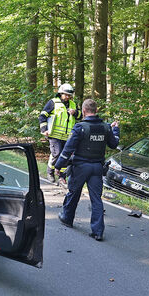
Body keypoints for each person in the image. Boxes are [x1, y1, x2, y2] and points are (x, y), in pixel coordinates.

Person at [53, 98, 120, 241]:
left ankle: (67, 218)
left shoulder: (80, 127)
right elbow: (114, 144)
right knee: (96, 199)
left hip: (80, 167)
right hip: (97, 168)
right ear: (96, 111)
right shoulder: (106, 127)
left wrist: (58, 166)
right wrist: (116, 129)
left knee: (74, 193)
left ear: (83, 111)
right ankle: (98, 232)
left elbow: (67, 149)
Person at [39, 83, 79, 185]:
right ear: (60, 93)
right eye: (66, 95)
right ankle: (50, 172)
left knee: (66, 156)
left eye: (69, 95)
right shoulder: (53, 102)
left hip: (68, 136)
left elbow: (81, 116)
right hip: (54, 135)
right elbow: (42, 116)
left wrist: (75, 113)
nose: (68, 97)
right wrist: (44, 129)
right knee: (56, 154)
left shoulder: (73, 104)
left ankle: (62, 176)